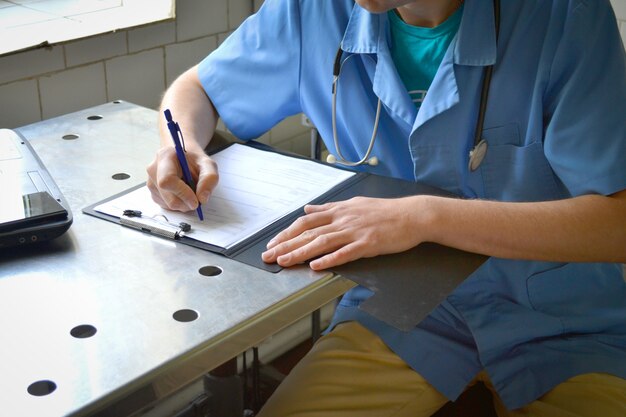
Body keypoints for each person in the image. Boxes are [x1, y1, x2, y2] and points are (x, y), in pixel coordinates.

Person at [146, 0, 626, 415]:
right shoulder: (312, 13)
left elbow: (617, 222)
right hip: (405, 313)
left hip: (563, 321)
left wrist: (424, 218)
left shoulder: (566, 16)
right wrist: (181, 142)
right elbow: (200, 88)